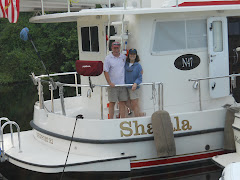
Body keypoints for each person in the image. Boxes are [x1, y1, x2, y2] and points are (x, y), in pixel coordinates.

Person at [104, 42, 128, 119]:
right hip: (113, 85)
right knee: (112, 103)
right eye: (114, 48)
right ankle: (111, 120)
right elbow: (105, 71)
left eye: (117, 48)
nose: (116, 49)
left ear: (119, 48)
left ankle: (122, 120)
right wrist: (110, 82)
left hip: (122, 84)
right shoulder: (108, 58)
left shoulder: (123, 57)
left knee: (122, 103)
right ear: (112, 48)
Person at [125, 48, 143, 117]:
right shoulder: (125, 64)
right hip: (125, 86)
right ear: (128, 55)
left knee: (135, 103)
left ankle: (137, 117)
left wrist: (135, 83)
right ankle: (138, 113)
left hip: (134, 88)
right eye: (131, 54)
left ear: (136, 56)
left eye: (134, 54)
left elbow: (140, 77)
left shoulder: (138, 66)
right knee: (126, 102)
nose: (132, 55)